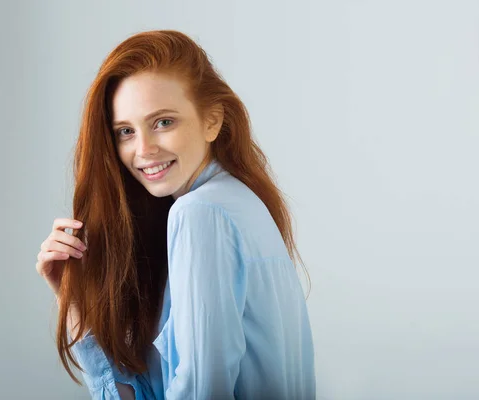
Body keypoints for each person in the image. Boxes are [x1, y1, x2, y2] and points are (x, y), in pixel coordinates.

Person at [36, 29, 315, 399]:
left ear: (212, 120)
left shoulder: (200, 212)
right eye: (125, 131)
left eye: (163, 122)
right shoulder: (242, 203)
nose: (144, 149)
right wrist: (72, 296)